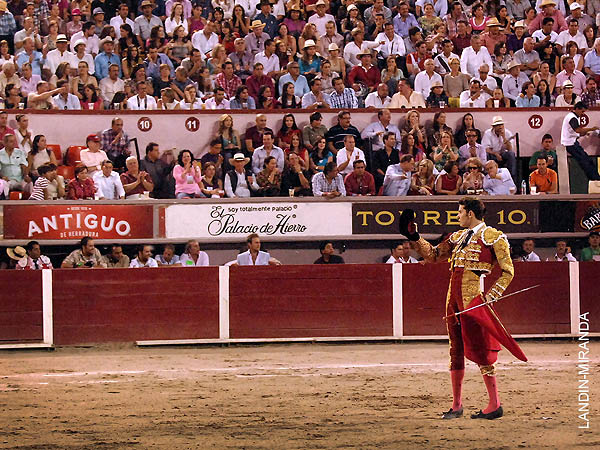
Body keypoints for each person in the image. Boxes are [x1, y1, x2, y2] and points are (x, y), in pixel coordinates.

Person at [400, 197, 525, 421]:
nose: (457, 216)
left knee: (480, 350)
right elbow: (434, 255)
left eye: (459, 212)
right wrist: (414, 237)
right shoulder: (456, 237)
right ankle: (456, 405)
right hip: (452, 300)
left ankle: (495, 404)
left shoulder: (494, 237)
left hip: (472, 301)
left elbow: (508, 271)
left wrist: (492, 296)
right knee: (455, 350)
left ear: (470, 213)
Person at [560, 101, 600, 180]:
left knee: (587, 160)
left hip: (572, 142)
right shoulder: (572, 117)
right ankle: (595, 178)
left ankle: (595, 178)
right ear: (577, 109)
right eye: (582, 111)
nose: (583, 114)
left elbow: (575, 132)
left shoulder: (572, 117)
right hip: (570, 144)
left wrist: (584, 132)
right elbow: (578, 130)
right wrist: (592, 129)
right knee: (585, 161)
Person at [482, 116, 517, 180]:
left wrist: (504, 138)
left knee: (511, 154)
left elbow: (510, 148)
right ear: (493, 127)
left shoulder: (507, 133)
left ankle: (511, 177)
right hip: (492, 155)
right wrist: (495, 154)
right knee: (486, 155)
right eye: (498, 125)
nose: (500, 127)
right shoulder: (488, 133)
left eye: (501, 125)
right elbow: (485, 148)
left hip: (503, 154)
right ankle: (488, 177)